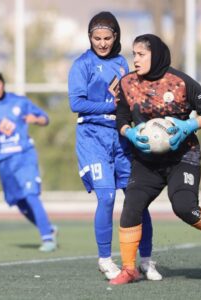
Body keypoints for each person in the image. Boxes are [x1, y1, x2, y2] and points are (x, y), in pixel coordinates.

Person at [110, 34, 201, 285]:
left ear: (155, 55)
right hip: (146, 161)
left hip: (183, 156)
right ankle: (128, 269)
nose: (134, 59)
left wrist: (188, 126)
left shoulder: (181, 82)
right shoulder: (127, 83)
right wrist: (130, 133)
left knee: (183, 207)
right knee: (131, 208)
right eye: (133, 54)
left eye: (140, 54)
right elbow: (121, 119)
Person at [68, 12, 162, 280]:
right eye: (96, 38)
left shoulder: (123, 63)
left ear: (116, 37)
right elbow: (76, 103)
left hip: (121, 138)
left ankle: (146, 260)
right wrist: (111, 107)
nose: (102, 43)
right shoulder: (81, 65)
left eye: (107, 38)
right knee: (107, 196)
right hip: (92, 137)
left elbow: (132, 97)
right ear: (89, 38)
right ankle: (105, 259)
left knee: (138, 200)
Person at [0, 69, 57, 252]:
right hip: (3, 160)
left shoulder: (20, 102)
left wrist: (35, 119)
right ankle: (48, 227)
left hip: (24, 156)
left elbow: (45, 118)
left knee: (30, 194)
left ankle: (47, 237)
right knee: (18, 202)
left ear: (2, 83)